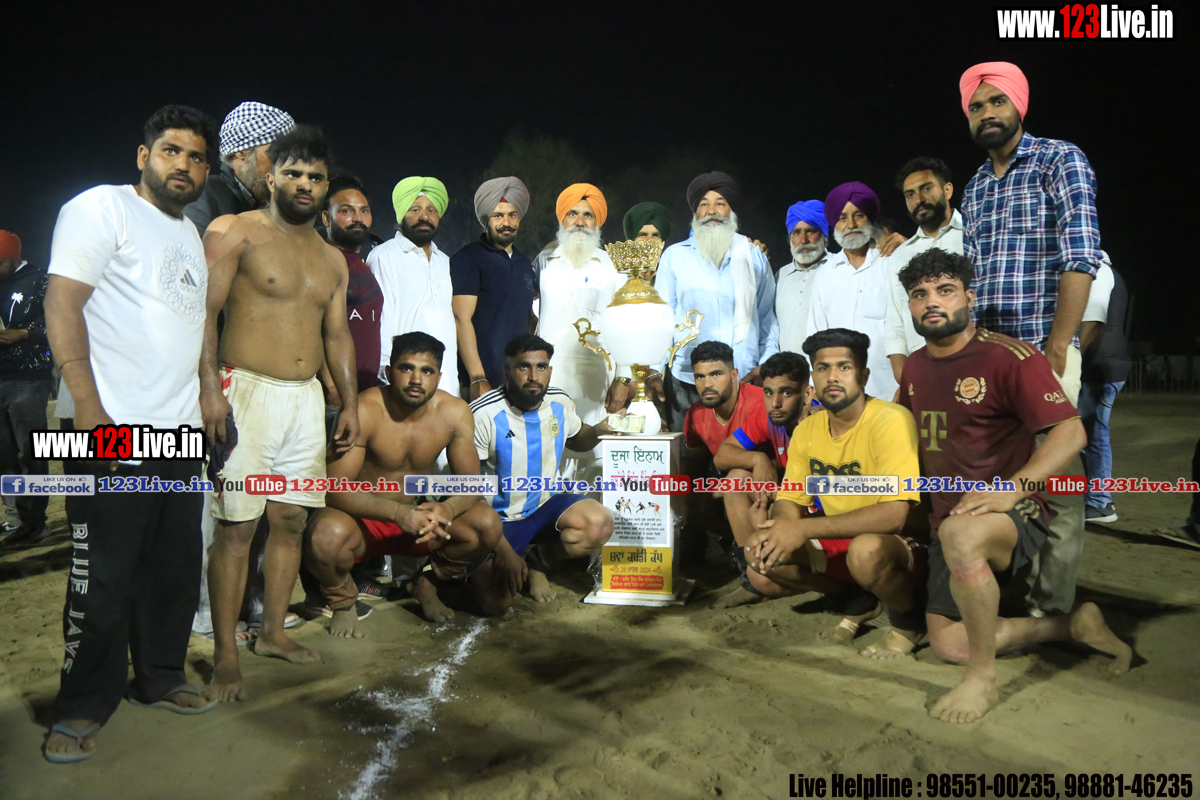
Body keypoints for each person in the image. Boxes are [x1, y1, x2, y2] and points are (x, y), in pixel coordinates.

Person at [42, 105, 218, 763]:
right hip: (110, 428)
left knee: (172, 568)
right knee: (105, 574)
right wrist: (87, 406)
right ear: (143, 156)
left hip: (179, 432)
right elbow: (62, 301)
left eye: (196, 157)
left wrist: (207, 395)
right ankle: (81, 705)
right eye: (171, 151)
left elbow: (192, 324)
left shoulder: (190, 233)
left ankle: (160, 676)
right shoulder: (102, 207)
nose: (184, 165)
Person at [897, 248, 1130, 723]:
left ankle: (981, 680)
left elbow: (1071, 434)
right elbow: (905, 436)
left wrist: (1014, 488)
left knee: (960, 535)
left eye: (945, 290)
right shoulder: (916, 366)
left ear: (970, 298)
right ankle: (1071, 626)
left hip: (1011, 512)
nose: (931, 301)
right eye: (920, 294)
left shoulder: (1010, 357)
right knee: (949, 644)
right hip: (948, 518)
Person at [200, 125, 359, 703]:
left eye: (315, 177)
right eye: (293, 173)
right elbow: (204, 312)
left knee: (291, 521)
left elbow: (336, 335)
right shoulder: (235, 230)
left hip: (305, 400)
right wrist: (209, 389)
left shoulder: (332, 259)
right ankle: (225, 654)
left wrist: (348, 403)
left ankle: (271, 633)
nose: (305, 184)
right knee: (238, 527)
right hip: (245, 390)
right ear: (271, 177)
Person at [959, 61, 1101, 615]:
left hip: (1043, 349)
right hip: (991, 360)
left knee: (1056, 482)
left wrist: (1059, 346)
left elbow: (1081, 254)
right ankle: (1013, 593)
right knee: (1003, 477)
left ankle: (1053, 607)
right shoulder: (975, 187)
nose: (986, 113)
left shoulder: (1059, 159)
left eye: (997, 101)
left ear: (1019, 104)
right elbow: (971, 279)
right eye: (976, 106)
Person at [741, 330, 926, 656]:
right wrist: (782, 525)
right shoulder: (808, 429)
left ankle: (909, 620)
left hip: (898, 542)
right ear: (813, 378)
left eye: (844, 367)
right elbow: (791, 497)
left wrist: (802, 528)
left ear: (863, 376)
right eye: (823, 368)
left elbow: (895, 514)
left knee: (866, 552)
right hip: (842, 535)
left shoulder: (891, 420)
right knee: (759, 549)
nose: (832, 377)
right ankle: (857, 599)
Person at [304, 332, 503, 634]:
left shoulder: (454, 412)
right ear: (388, 372)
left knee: (486, 524)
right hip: (361, 520)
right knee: (325, 536)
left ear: (439, 377)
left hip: (417, 520)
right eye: (406, 368)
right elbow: (333, 489)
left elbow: (471, 485)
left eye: (427, 371)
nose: (416, 380)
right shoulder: (366, 409)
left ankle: (424, 583)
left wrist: (446, 510)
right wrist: (398, 513)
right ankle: (342, 601)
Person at [471, 334, 615, 605]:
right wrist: (504, 550)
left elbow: (577, 438)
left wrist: (599, 430)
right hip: (500, 518)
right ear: (506, 371)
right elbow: (468, 490)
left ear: (550, 370)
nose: (533, 376)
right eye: (523, 367)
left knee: (599, 524)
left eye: (541, 367)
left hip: (546, 505)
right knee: (493, 603)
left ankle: (538, 565)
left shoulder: (559, 401)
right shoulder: (483, 414)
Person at [648, 172, 778, 429]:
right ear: (695, 212)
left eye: (720, 203)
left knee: (744, 451)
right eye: (703, 204)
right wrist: (654, 369)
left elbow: (767, 319)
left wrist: (766, 365)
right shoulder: (675, 257)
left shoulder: (754, 257)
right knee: (687, 451)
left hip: (744, 377)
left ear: (731, 210)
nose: (711, 211)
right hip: (688, 380)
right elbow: (661, 318)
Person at [533, 184, 629, 481]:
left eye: (588, 215)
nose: (579, 221)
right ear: (561, 219)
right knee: (550, 454)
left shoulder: (611, 266)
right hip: (551, 376)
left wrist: (623, 378)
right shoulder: (543, 261)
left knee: (595, 460)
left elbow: (624, 324)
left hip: (596, 378)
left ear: (597, 222)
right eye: (572, 214)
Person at [710, 351, 813, 608]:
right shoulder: (770, 418)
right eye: (768, 392)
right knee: (735, 480)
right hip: (793, 502)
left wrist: (775, 515)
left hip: (824, 514)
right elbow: (723, 455)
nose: (775, 403)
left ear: (807, 394)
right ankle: (751, 580)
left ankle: (835, 586)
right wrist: (758, 459)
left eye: (786, 393)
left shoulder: (822, 420)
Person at [806, 182, 899, 401]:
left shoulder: (891, 263)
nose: (851, 225)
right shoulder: (825, 273)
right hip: (837, 392)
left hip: (888, 389)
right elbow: (815, 332)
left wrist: (905, 384)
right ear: (834, 224)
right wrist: (815, 387)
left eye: (859, 215)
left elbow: (907, 328)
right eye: (842, 218)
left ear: (870, 219)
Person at [368, 177, 458, 398]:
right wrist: (387, 377)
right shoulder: (384, 256)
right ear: (401, 215)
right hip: (406, 383)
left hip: (445, 381)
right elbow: (382, 321)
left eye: (431, 210)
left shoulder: (445, 261)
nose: (424, 217)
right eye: (415, 209)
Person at [452, 176, 536, 400]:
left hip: (519, 378)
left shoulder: (524, 262)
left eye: (512, 215)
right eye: (498, 216)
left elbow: (527, 316)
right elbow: (461, 319)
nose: (506, 222)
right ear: (486, 220)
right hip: (483, 380)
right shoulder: (468, 258)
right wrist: (477, 377)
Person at [884, 158, 964, 384]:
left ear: (947, 190)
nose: (918, 200)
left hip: (973, 361)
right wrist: (903, 376)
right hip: (922, 370)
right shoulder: (902, 254)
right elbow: (895, 318)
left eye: (926, 189)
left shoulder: (973, 237)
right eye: (910, 194)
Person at [0, 230, 54, 542]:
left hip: (28, 377)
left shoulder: (40, 281)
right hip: (1, 376)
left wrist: (24, 335)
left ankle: (35, 522)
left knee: (31, 453)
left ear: (15, 257)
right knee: (4, 455)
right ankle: (14, 518)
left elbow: (62, 325)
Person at [183, 101, 295, 236]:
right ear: (241, 154)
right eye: (275, 153)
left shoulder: (285, 201)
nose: (285, 164)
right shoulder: (203, 196)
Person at [322, 172, 384, 394]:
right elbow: (311, 329)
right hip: (334, 395)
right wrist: (331, 387)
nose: (358, 218)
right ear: (326, 218)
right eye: (346, 211)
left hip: (364, 391)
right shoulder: (321, 261)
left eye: (364, 211)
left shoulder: (363, 266)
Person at [1078, 255, 1129, 523]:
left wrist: (1072, 359)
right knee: (1087, 435)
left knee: (1094, 435)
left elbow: (1094, 321)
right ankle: (1093, 498)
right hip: (1105, 365)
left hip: (1099, 366)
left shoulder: (1099, 271)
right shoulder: (1109, 271)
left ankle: (1100, 502)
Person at [770, 200, 830, 354]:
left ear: (824, 237)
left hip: (828, 365)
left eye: (811, 231)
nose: (803, 240)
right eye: (796, 233)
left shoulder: (839, 268)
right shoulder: (781, 275)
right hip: (788, 366)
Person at [622, 202, 672, 282]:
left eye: (655, 236)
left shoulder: (671, 275)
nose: (649, 241)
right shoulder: (619, 276)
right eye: (642, 235)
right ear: (631, 240)